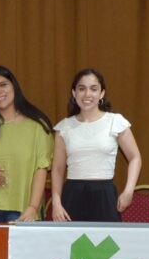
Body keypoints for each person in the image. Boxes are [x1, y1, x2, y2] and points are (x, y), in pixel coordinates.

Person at [51, 68, 142, 223]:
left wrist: (129, 190)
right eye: (82, 89)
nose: (87, 94)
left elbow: (135, 157)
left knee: (107, 245)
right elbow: (58, 169)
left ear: (101, 94)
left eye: (93, 89)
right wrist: (56, 202)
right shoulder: (64, 127)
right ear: (74, 93)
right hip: (73, 194)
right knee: (72, 245)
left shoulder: (115, 121)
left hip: (104, 195)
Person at [0, 65, 54, 225]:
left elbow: (41, 169)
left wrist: (33, 207)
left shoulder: (38, 125)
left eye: (3, 85)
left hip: (24, 209)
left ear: (14, 86)